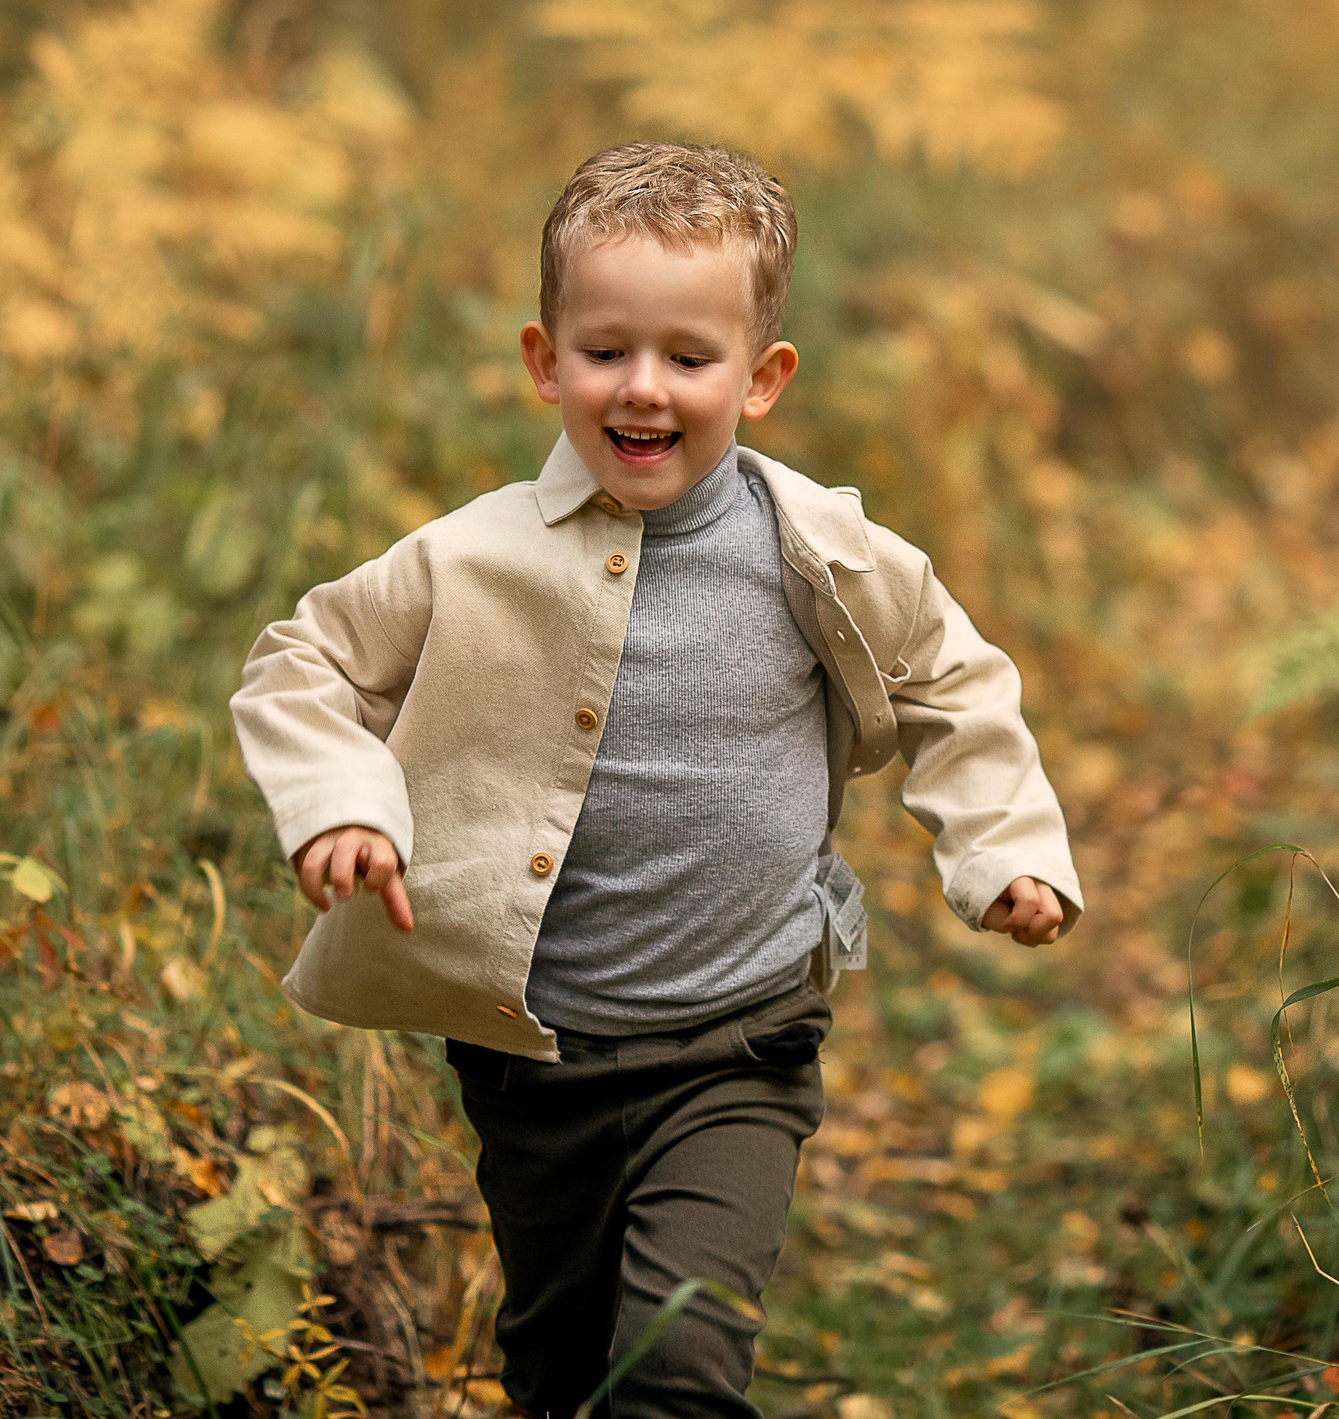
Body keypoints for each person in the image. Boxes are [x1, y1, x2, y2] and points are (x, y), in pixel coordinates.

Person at [230, 140, 1080, 1415]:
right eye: (605, 351)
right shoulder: (469, 559)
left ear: (763, 375)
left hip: (738, 1044)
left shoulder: (825, 553)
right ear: (542, 359)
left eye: (690, 358)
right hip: (536, 1058)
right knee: (562, 1368)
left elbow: (952, 683)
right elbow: (302, 665)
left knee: (676, 1368)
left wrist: (1005, 852)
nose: (644, 388)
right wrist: (342, 803)